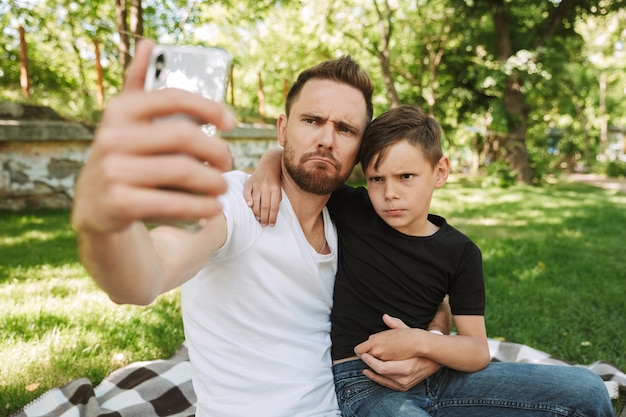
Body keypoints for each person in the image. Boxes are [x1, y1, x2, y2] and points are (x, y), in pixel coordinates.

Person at [71, 39, 447, 417]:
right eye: (312, 121)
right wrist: (108, 224)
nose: (326, 139)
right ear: (282, 129)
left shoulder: (354, 217)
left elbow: (433, 278)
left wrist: (433, 342)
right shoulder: (234, 201)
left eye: (346, 129)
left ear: (360, 150)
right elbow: (145, 274)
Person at [244, 105, 615, 416]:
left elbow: (475, 350)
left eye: (406, 176)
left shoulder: (461, 252)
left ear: (440, 172)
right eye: (377, 179)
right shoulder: (355, 209)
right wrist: (264, 167)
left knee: (587, 389)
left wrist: (420, 343)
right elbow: (293, 160)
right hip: (366, 383)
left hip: (438, 373)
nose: (390, 194)